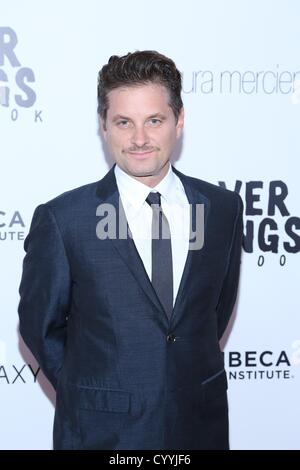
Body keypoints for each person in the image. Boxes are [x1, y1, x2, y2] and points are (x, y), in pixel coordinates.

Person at [18, 50, 243, 450]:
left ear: (180, 120)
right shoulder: (64, 219)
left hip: (198, 426)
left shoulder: (223, 209)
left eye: (154, 120)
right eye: (124, 122)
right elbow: (40, 326)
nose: (139, 139)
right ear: (104, 125)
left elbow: (213, 313)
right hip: (101, 434)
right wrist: (89, 391)